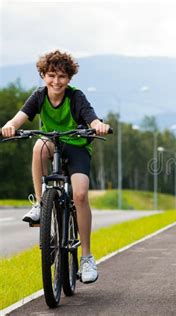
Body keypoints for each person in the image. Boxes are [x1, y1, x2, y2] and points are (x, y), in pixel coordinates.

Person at [1, 50, 110, 283]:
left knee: (80, 195)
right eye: (51, 75)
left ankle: (87, 257)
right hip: (52, 142)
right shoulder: (39, 96)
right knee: (38, 147)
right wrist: (9, 126)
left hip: (78, 145)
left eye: (61, 76)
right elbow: (20, 117)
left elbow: (90, 117)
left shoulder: (76, 97)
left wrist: (98, 125)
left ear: (69, 78)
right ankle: (41, 204)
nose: (56, 81)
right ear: (43, 76)